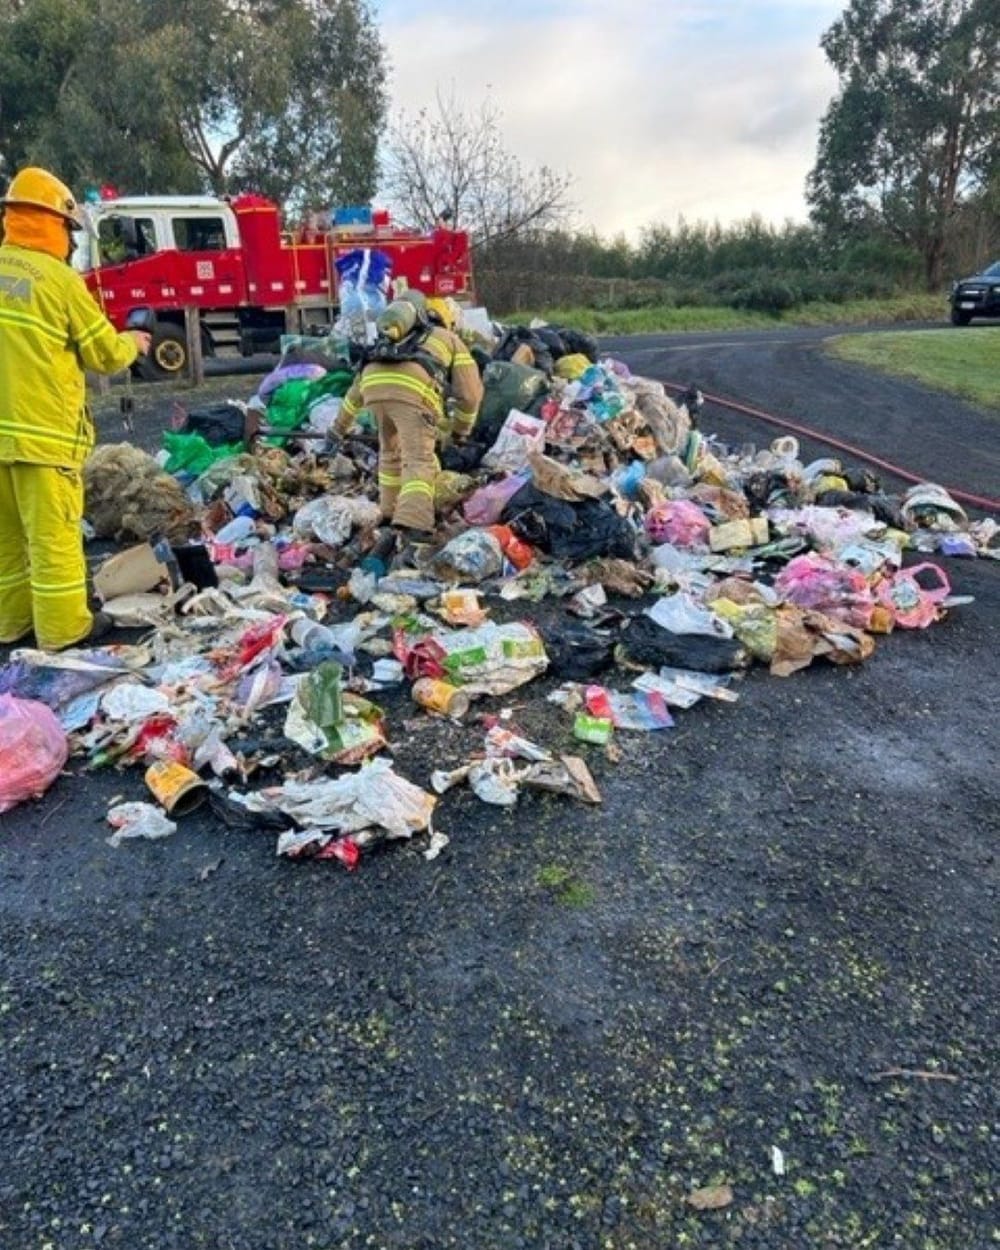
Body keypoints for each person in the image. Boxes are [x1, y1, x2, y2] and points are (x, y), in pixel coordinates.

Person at [0, 166, 152, 651]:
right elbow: (102, 353)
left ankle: (11, 626)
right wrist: (133, 341)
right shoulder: (59, 281)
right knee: (54, 540)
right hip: (43, 437)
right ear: (55, 224)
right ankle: (64, 631)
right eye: (68, 230)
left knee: (5, 541)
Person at [335, 288, 482, 536]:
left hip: (373, 389)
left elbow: (354, 394)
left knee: (390, 451)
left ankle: (389, 510)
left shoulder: (386, 342)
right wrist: (460, 432)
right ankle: (412, 522)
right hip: (412, 396)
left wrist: (338, 429)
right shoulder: (448, 339)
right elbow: (469, 394)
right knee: (419, 459)